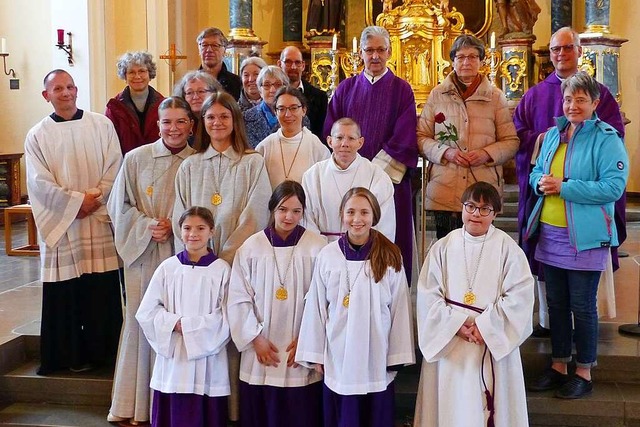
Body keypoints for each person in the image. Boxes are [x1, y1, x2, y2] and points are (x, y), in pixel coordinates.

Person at [513, 27, 626, 337]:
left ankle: (584, 347)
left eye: (566, 48)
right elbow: (518, 133)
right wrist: (545, 144)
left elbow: (614, 136)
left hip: (585, 215)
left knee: (580, 293)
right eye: (555, 49)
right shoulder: (535, 94)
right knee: (550, 275)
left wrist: (568, 180)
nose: (560, 54)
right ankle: (550, 325)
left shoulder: (599, 92)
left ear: (579, 50)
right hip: (547, 207)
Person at [525, 72, 628, 399]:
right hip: (551, 234)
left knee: (582, 306)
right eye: (568, 99)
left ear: (595, 103)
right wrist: (539, 181)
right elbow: (537, 171)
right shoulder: (554, 134)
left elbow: (613, 187)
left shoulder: (606, 138)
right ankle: (558, 365)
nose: (573, 105)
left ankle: (583, 370)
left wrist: (564, 187)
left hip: (585, 236)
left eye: (581, 99)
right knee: (556, 303)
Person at [173, 91, 271, 422]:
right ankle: (205, 407)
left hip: (238, 265)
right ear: (202, 122)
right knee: (206, 329)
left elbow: (255, 214)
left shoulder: (252, 162)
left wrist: (225, 257)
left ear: (234, 121)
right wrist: (201, 256)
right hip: (199, 268)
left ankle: (232, 410)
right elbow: (181, 216)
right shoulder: (189, 166)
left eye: (224, 117)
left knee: (233, 330)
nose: (217, 123)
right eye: (211, 117)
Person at [25, 69, 123, 375]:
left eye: (69, 87)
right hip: (64, 224)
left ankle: (104, 354)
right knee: (65, 292)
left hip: (97, 218)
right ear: (46, 95)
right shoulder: (38, 134)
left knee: (100, 288)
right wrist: (75, 203)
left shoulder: (101, 124)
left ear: (77, 90)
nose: (65, 93)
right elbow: (39, 183)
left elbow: (115, 166)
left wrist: (93, 198)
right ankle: (67, 355)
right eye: (57, 89)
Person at [413, 181, 534, 426]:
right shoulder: (443, 246)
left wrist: (486, 327)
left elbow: (519, 297)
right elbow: (428, 294)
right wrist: (455, 324)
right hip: (450, 340)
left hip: (489, 341)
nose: (476, 214)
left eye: (484, 209)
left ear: (495, 213)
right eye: (470, 206)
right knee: (450, 407)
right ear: (462, 209)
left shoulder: (508, 250)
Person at [106, 97, 195, 424]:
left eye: (180, 122)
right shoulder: (136, 159)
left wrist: (177, 226)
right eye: (167, 122)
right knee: (142, 322)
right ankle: (133, 405)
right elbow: (118, 207)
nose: (173, 129)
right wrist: (147, 226)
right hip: (143, 252)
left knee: (176, 325)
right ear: (157, 125)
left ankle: (173, 408)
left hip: (182, 254)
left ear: (191, 125)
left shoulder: (197, 160)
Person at [296, 187, 414, 427]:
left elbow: (399, 309)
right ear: (342, 214)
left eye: (364, 212)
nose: (357, 219)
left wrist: (396, 355)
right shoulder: (328, 255)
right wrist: (315, 352)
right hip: (339, 352)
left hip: (376, 352)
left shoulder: (391, 255)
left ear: (374, 216)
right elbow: (317, 307)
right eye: (351, 212)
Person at [227, 181, 326, 427]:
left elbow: (325, 299)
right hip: (261, 348)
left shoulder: (317, 247)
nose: (289, 216)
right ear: (272, 208)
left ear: (304, 212)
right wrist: (255, 338)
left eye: (296, 211)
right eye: (283, 209)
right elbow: (238, 298)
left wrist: (307, 340)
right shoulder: (251, 247)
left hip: (299, 348)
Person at [323, 25, 418, 283]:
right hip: (346, 181)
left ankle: (389, 297)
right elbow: (331, 131)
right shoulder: (345, 89)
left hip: (389, 184)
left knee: (389, 244)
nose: (375, 56)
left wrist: (370, 175)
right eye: (369, 50)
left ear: (389, 52)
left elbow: (405, 136)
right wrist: (352, 170)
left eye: (380, 50)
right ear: (361, 54)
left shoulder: (402, 89)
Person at [136, 207, 231, 426]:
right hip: (174, 359)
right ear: (179, 231)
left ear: (212, 232)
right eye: (187, 228)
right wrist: (173, 323)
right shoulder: (168, 268)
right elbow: (147, 311)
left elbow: (226, 316)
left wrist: (189, 328)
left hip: (208, 358)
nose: (193, 234)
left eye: (200, 228)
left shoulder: (221, 270)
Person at [418, 33, 519, 240]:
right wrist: (446, 152)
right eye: (461, 57)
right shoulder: (437, 95)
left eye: (473, 57)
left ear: (482, 61)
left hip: (482, 189)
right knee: (447, 249)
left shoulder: (495, 96)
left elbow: (511, 142)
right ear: (452, 60)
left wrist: (486, 153)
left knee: (481, 249)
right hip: (445, 188)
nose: (466, 62)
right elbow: (421, 137)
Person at [302, 118, 395, 243]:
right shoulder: (313, 176)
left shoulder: (377, 176)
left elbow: (384, 223)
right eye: (339, 138)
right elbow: (307, 220)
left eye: (351, 138)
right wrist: (324, 251)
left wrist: (362, 247)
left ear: (360, 142)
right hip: (322, 251)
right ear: (329, 141)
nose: (344, 143)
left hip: (364, 251)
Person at [256, 86, 330, 189]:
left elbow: (324, 186)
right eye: (281, 109)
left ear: (304, 110)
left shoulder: (317, 148)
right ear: (275, 112)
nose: (287, 114)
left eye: (294, 108)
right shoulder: (265, 147)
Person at [106, 51, 165, 155]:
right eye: (131, 72)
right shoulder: (114, 108)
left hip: (157, 162)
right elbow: (109, 143)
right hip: (125, 164)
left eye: (142, 71)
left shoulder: (164, 105)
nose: (137, 76)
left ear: (149, 73)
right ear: (125, 76)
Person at [277, 46, 328, 140]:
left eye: (297, 62)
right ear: (279, 64)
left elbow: (322, 134)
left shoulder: (319, 97)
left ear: (303, 66)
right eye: (288, 62)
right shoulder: (273, 95)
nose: (293, 67)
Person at [243, 66, 291, 148]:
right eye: (266, 85)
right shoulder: (245, 118)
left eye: (278, 84)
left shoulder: (299, 117)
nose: (272, 90)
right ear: (260, 90)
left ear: (286, 88)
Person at [173, 70, 223, 145]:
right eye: (189, 93)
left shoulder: (222, 119)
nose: (195, 97)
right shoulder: (179, 121)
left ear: (214, 93)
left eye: (201, 91)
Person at [197, 27, 242, 99]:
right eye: (204, 45)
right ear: (199, 50)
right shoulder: (191, 82)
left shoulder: (236, 83)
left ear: (224, 51)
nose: (209, 50)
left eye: (215, 45)